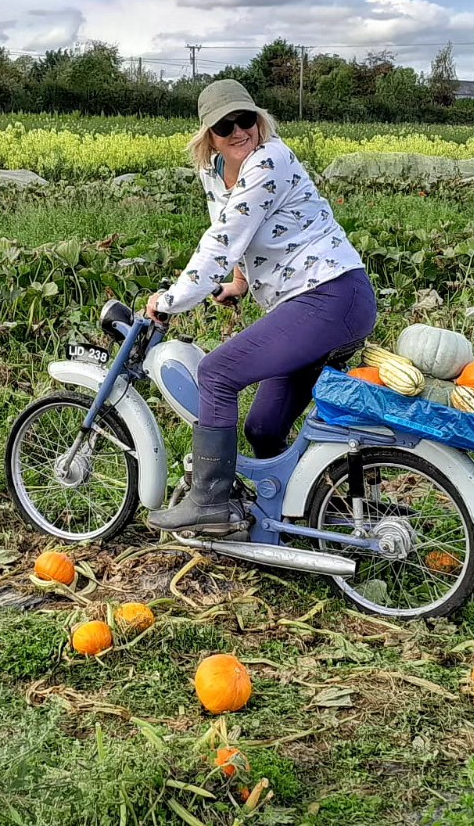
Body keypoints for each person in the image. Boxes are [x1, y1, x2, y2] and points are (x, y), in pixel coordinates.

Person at [144, 79, 377, 535]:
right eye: (223, 125)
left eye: (244, 119)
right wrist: (239, 282)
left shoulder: (270, 158)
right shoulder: (214, 171)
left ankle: (209, 501)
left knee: (216, 373)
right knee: (265, 427)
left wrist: (170, 301)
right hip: (316, 302)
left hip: (331, 296)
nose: (237, 131)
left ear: (259, 119)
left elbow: (222, 239)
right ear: (207, 135)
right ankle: (307, 514)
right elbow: (243, 233)